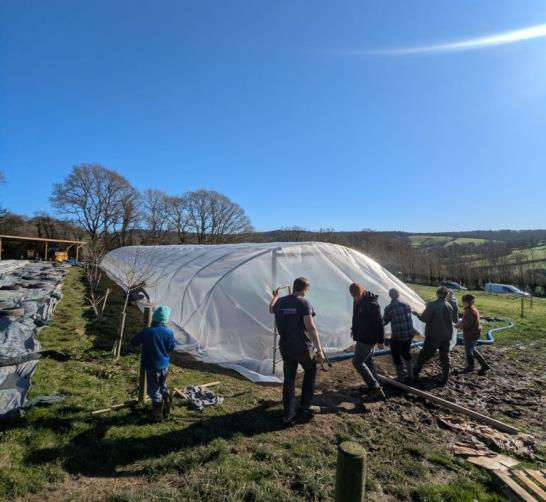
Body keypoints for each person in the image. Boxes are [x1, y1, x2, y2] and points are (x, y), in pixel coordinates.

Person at [269, 277, 326, 426]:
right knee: (310, 370)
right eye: (307, 289)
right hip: (302, 348)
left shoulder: (281, 301)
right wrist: (319, 350)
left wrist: (275, 296)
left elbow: (270, 309)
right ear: (305, 289)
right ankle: (305, 406)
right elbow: (311, 327)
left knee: (289, 378)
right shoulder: (303, 302)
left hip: (285, 347)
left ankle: (288, 413)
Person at [131, 305, 176, 421]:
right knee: (163, 385)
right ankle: (167, 402)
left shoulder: (147, 331)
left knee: (154, 389)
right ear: (165, 320)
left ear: (153, 319)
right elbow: (172, 347)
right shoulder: (169, 332)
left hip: (151, 366)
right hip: (164, 365)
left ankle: (157, 413)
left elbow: (134, 342)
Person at [349, 283, 386, 400]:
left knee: (357, 362)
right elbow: (356, 317)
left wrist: (381, 341)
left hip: (369, 338)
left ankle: (375, 388)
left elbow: (379, 323)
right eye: (354, 297)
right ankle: (374, 385)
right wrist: (354, 329)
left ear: (363, 292)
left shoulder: (372, 304)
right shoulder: (357, 300)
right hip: (361, 335)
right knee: (368, 360)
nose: (356, 298)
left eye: (358, 296)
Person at [412, 286, 454, 385]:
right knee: (445, 357)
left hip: (433, 336)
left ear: (437, 294)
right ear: (446, 295)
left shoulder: (432, 305)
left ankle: (415, 373)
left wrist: (417, 314)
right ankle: (445, 379)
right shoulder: (449, 306)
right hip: (446, 336)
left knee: (424, 354)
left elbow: (424, 319)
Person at [383, 288, 415, 382]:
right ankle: (410, 375)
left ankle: (400, 379)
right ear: (398, 295)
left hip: (397, 337)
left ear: (390, 296)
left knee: (396, 357)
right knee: (406, 354)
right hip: (408, 335)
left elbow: (384, 321)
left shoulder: (389, 308)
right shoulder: (406, 305)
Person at [456, 294, 490, 374]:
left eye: (463, 302)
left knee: (468, 351)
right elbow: (467, 321)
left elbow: (468, 325)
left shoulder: (470, 311)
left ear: (467, 302)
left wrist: (458, 326)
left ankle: (470, 367)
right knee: (472, 349)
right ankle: (484, 365)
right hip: (474, 333)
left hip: (471, 334)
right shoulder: (472, 309)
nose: (463, 303)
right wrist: (461, 322)